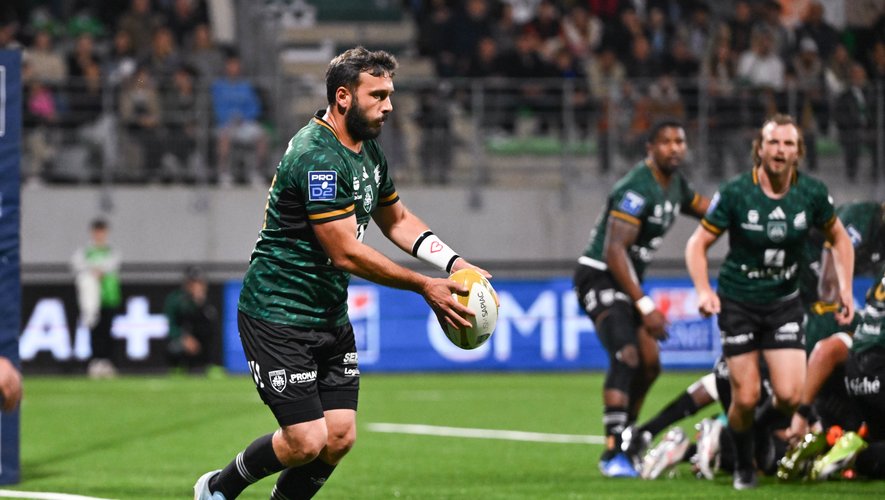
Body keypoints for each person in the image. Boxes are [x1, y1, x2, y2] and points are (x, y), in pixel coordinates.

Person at [194, 47, 488, 500]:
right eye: (378, 95)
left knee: (339, 437)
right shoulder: (317, 156)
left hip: (328, 315)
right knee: (305, 441)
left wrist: (453, 263)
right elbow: (345, 253)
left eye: (390, 94)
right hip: (278, 314)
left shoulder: (368, 151)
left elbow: (396, 219)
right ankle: (217, 488)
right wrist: (423, 285)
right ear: (344, 97)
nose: (389, 106)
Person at [685, 113, 856, 490]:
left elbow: (840, 239)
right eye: (773, 142)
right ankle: (744, 466)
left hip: (783, 303)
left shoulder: (811, 193)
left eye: (788, 143)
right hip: (739, 303)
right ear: (759, 149)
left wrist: (845, 289)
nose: (780, 150)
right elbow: (697, 244)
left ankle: (745, 438)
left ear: (798, 152)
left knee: (791, 395)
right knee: (746, 397)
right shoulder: (736, 192)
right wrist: (703, 290)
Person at [573, 119, 710, 477]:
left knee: (650, 364)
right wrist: (645, 305)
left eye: (680, 141)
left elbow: (708, 210)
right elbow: (614, 250)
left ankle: (629, 437)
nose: (674, 148)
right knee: (627, 354)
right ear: (650, 148)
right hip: (600, 274)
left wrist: (742, 210)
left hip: (627, 281)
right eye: (666, 142)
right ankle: (613, 452)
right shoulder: (636, 187)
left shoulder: (676, 185)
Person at [71, 218, 123, 379]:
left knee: (107, 330)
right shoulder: (85, 251)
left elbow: (112, 265)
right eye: (97, 231)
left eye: (102, 231)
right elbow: (77, 265)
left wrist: (98, 270)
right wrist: (92, 271)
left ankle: (107, 361)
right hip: (92, 300)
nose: (99, 234)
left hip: (109, 296)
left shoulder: (111, 251)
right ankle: (95, 361)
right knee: (94, 330)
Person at [164, 266, 220, 374]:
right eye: (193, 283)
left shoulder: (209, 301)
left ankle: (209, 365)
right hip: (183, 339)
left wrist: (200, 304)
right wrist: (184, 338)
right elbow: (170, 325)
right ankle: (177, 367)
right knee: (174, 347)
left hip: (201, 341)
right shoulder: (176, 300)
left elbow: (210, 326)